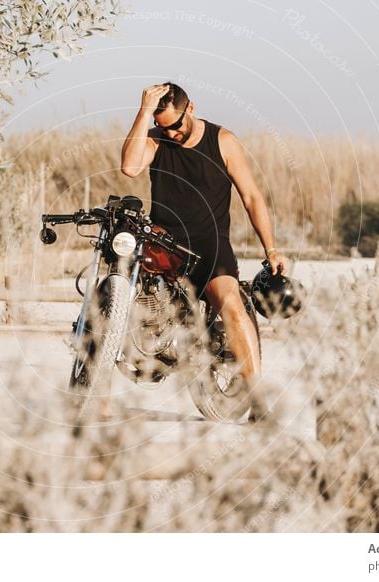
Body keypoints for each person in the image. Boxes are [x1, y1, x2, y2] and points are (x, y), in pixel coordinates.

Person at [120, 82, 289, 414]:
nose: (172, 134)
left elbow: (252, 197)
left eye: (177, 125)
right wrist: (143, 112)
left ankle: (256, 400)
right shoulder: (155, 139)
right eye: (163, 126)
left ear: (192, 108)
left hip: (209, 246)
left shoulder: (222, 141)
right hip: (164, 242)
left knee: (230, 303)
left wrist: (271, 249)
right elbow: (129, 167)